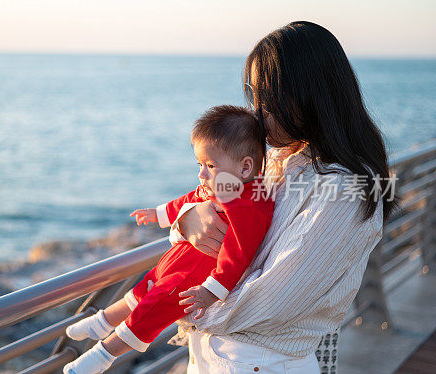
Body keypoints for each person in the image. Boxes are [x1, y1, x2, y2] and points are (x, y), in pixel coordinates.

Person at [166, 21, 395, 373]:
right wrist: (187, 220)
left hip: (259, 362)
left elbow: (276, 300)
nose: (258, 111)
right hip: (221, 356)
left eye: (267, 98)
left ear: (307, 93)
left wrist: (191, 310)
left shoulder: (346, 188)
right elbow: (210, 208)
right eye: (254, 95)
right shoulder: (280, 160)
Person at [62, 105, 275, 374]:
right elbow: (190, 199)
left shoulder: (250, 205)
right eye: (200, 164)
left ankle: (102, 355)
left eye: (210, 165)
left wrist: (211, 292)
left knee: (149, 312)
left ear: (246, 167)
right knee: (144, 288)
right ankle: (102, 321)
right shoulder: (223, 185)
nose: (202, 174)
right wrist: (159, 213)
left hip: (190, 279)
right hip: (176, 263)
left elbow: (239, 255)